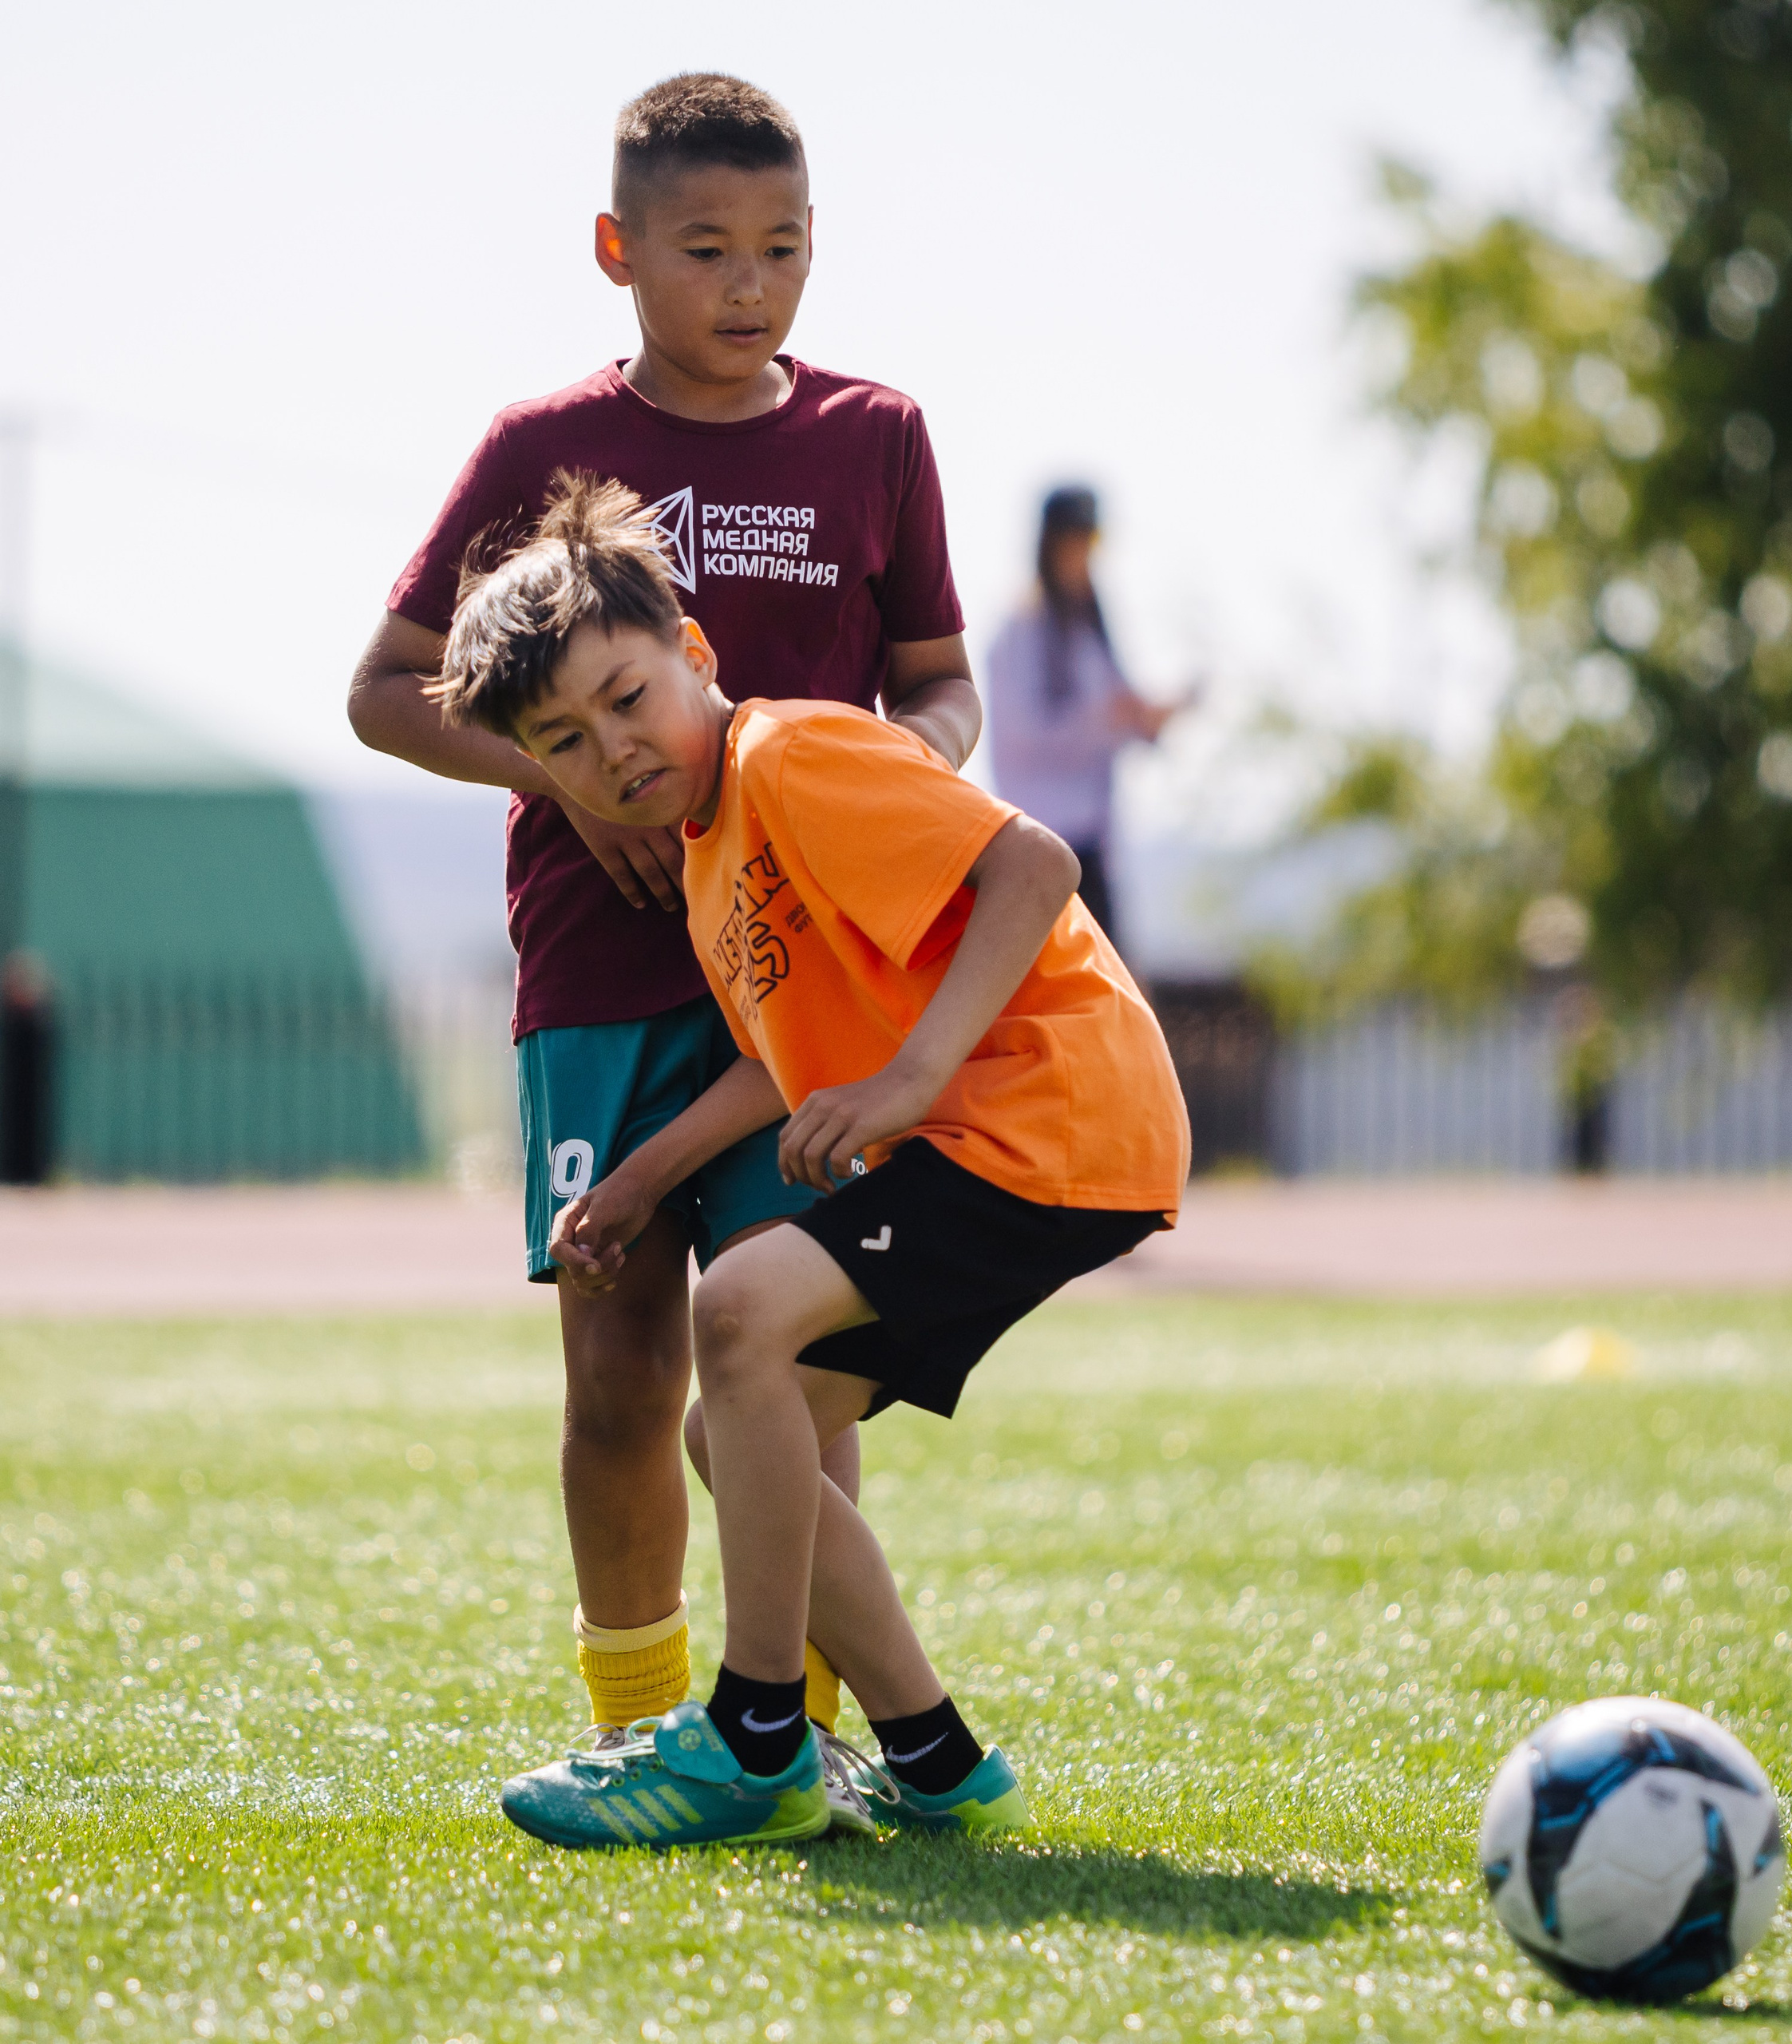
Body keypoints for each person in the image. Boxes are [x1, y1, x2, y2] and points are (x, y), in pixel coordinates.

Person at [346, 73, 979, 1832]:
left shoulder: (876, 434)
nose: (750, 283)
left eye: (783, 246)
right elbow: (385, 689)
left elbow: (941, 682)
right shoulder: (536, 448)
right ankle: (636, 1719)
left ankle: (810, 1736)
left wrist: (889, 770)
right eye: (706, 249)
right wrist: (567, 774)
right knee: (622, 1371)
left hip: (806, 979)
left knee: (783, 1360)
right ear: (618, 251)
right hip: (603, 971)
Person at [433, 474, 1191, 1848]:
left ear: (696, 656)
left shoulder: (793, 759)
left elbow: (1034, 865)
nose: (611, 749)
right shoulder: (716, 852)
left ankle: (760, 1736)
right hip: (1003, 1137)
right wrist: (647, 1177)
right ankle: (939, 1757)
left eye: (625, 697)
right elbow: (772, 1061)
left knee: (735, 1313)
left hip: (1051, 1118)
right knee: (733, 1427)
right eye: (564, 741)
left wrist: (906, 1077)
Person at [984, 486, 1183, 949]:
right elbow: (1021, 738)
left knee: (1115, 995)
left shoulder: (1090, 632)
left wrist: (1145, 718)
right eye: (1075, 544)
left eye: (1090, 545)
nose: (1083, 559)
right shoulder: (1019, 632)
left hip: (1096, 841)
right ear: (1050, 547)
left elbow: (1120, 712)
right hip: (1042, 841)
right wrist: (1102, 721)